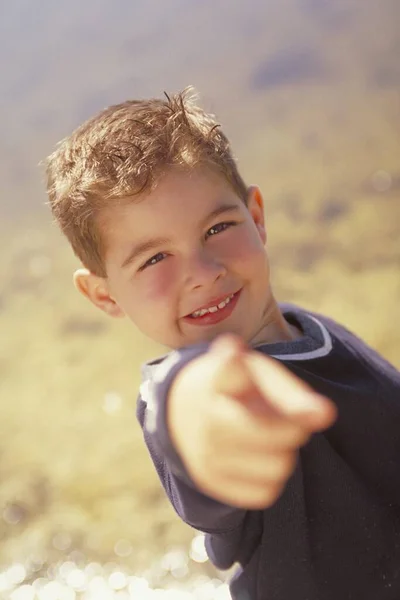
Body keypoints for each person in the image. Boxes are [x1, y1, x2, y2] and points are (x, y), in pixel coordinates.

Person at [45, 88, 400, 600]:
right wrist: (189, 406)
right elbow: (182, 407)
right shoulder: (206, 397)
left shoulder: (310, 330)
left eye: (217, 227)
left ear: (256, 217)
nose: (202, 273)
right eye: (153, 259)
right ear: (103, 294)